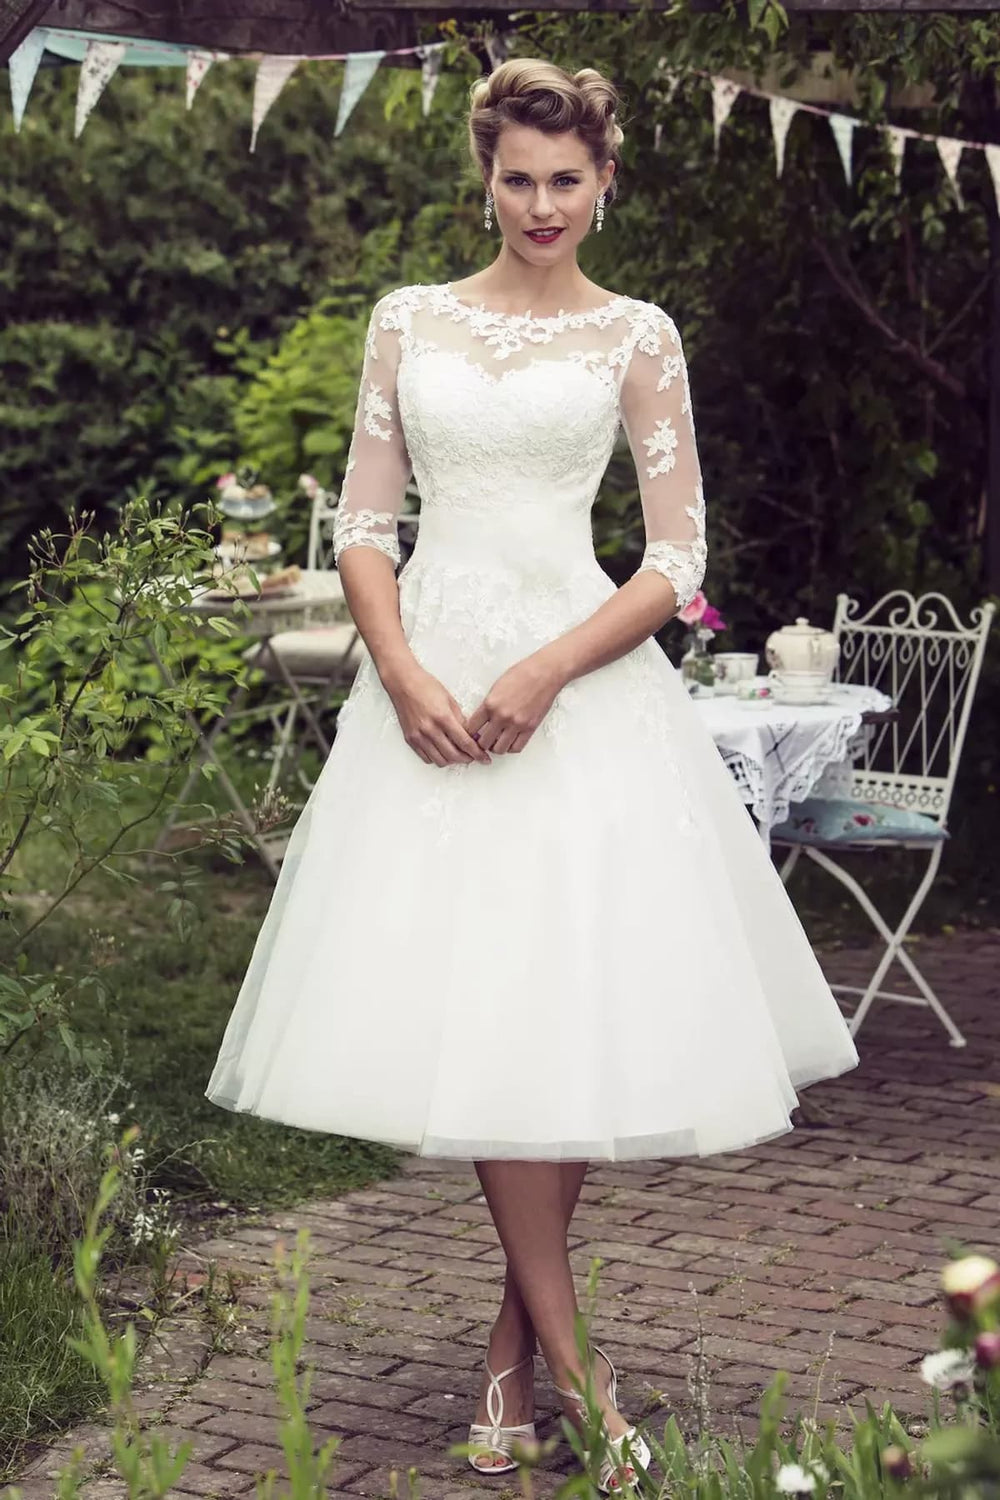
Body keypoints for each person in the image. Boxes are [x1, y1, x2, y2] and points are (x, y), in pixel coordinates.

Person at [205, 56, 860, 1494]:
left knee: (550, 1013)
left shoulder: (639, 336)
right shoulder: (408, 323)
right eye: (519, 178)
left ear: (605, 181)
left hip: (574, 699)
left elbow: (679, 558)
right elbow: (365, 531)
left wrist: (545, 668)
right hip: (430, 698)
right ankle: (579, 1379)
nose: (543, 204)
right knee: (493, 1008)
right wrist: (408, 675)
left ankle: (525, 1371)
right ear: (484, 180)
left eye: (568, 180)